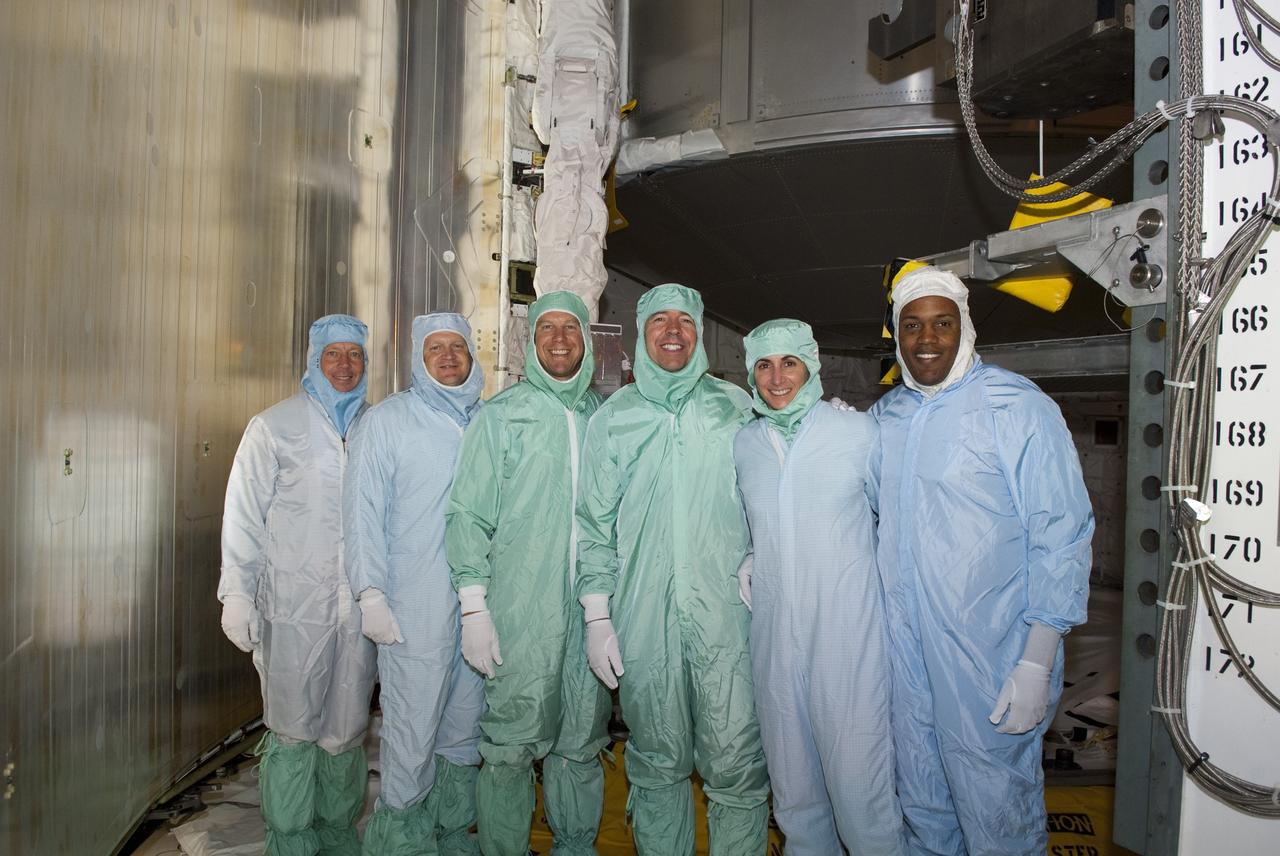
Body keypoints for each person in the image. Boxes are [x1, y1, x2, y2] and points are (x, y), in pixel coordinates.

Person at [870, 266, 1094, 856]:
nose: (926, 340)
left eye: (942, 323)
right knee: (922, 801)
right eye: (912, 326)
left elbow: (1062, 533)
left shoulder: (1015, 406)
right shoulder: (887, 417)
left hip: (991, 657)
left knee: (999, 812)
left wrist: (1037, 659)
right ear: (896, 335)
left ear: (964, 327)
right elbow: (850, 506)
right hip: (906, 657)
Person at [575, 283, 770, 856]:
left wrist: (759, 552)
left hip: (725, 623)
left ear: (699, 330)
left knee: (736, 763)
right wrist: (597, 615)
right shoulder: (613, 419)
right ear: (641, 331)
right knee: (658, 762)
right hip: (643, 625)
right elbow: (594, 525)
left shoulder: (734, 408)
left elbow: (771, 490)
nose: (672, 331)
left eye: (683, 320)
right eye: (659, 320)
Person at [445, 291, 612, 856]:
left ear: (586, 342)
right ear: (530, 341)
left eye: (571, 328)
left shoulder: (604, 420)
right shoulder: (501, 416)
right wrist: (474, 606)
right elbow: (468, 514)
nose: (560, 338)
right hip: (521, 615)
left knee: (580, 743)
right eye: (548, 328)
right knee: (510, 748)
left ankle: (574, 845)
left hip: (590, 614)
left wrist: (605, 612)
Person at [732, 319, 905, 856]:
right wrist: (750, 554)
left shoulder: (856, 433)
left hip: (845, 640)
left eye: (788, 362)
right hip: (775, 641)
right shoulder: (746, 444)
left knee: (861, 793)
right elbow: (753, 519)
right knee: (795, 794)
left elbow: (896, 524)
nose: (776, 377)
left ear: (810, 366)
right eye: (763, 365)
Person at [219, 314, 377, 856]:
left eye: (354, 355)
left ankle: (336, 839)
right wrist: (237, 592)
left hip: (358, 609)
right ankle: (290, 842)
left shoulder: (376, 426)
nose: (345, 365)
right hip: (293, 606)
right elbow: (243, 515)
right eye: (333, 354)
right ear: (313, 360)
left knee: (347, 727)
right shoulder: (274, 426)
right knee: (292, 727)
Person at [343, 314, 487, 856]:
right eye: (435, 349)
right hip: (413, 605)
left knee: (463, 734)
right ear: (417, 359)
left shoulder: (486, 420)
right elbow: (361, 511)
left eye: (457, 347)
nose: (448, 357)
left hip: (478, 608)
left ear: (473, 355)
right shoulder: (388, 421)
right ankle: (401, 844)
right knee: (410, 736)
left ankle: (452, 838)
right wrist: (370, 592)